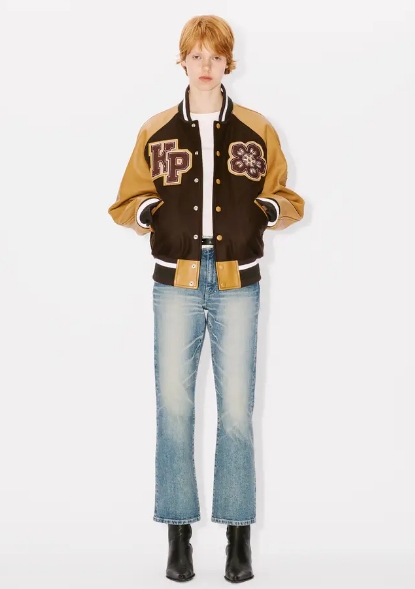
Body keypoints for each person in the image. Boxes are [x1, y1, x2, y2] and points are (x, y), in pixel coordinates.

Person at [108, 14, 305, 583]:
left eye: (215, 56)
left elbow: (286, 198)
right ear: (183, 60)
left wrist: (261, 213)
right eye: (196, 55)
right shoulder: (156, 130)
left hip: (239, 282)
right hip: (175, 283)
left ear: (228, 62)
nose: (206, 65)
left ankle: (238, 541)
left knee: (236, 411)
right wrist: (156, 213)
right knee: (174, 409)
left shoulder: (256, 128)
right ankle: (179, 538)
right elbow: (126, 203)